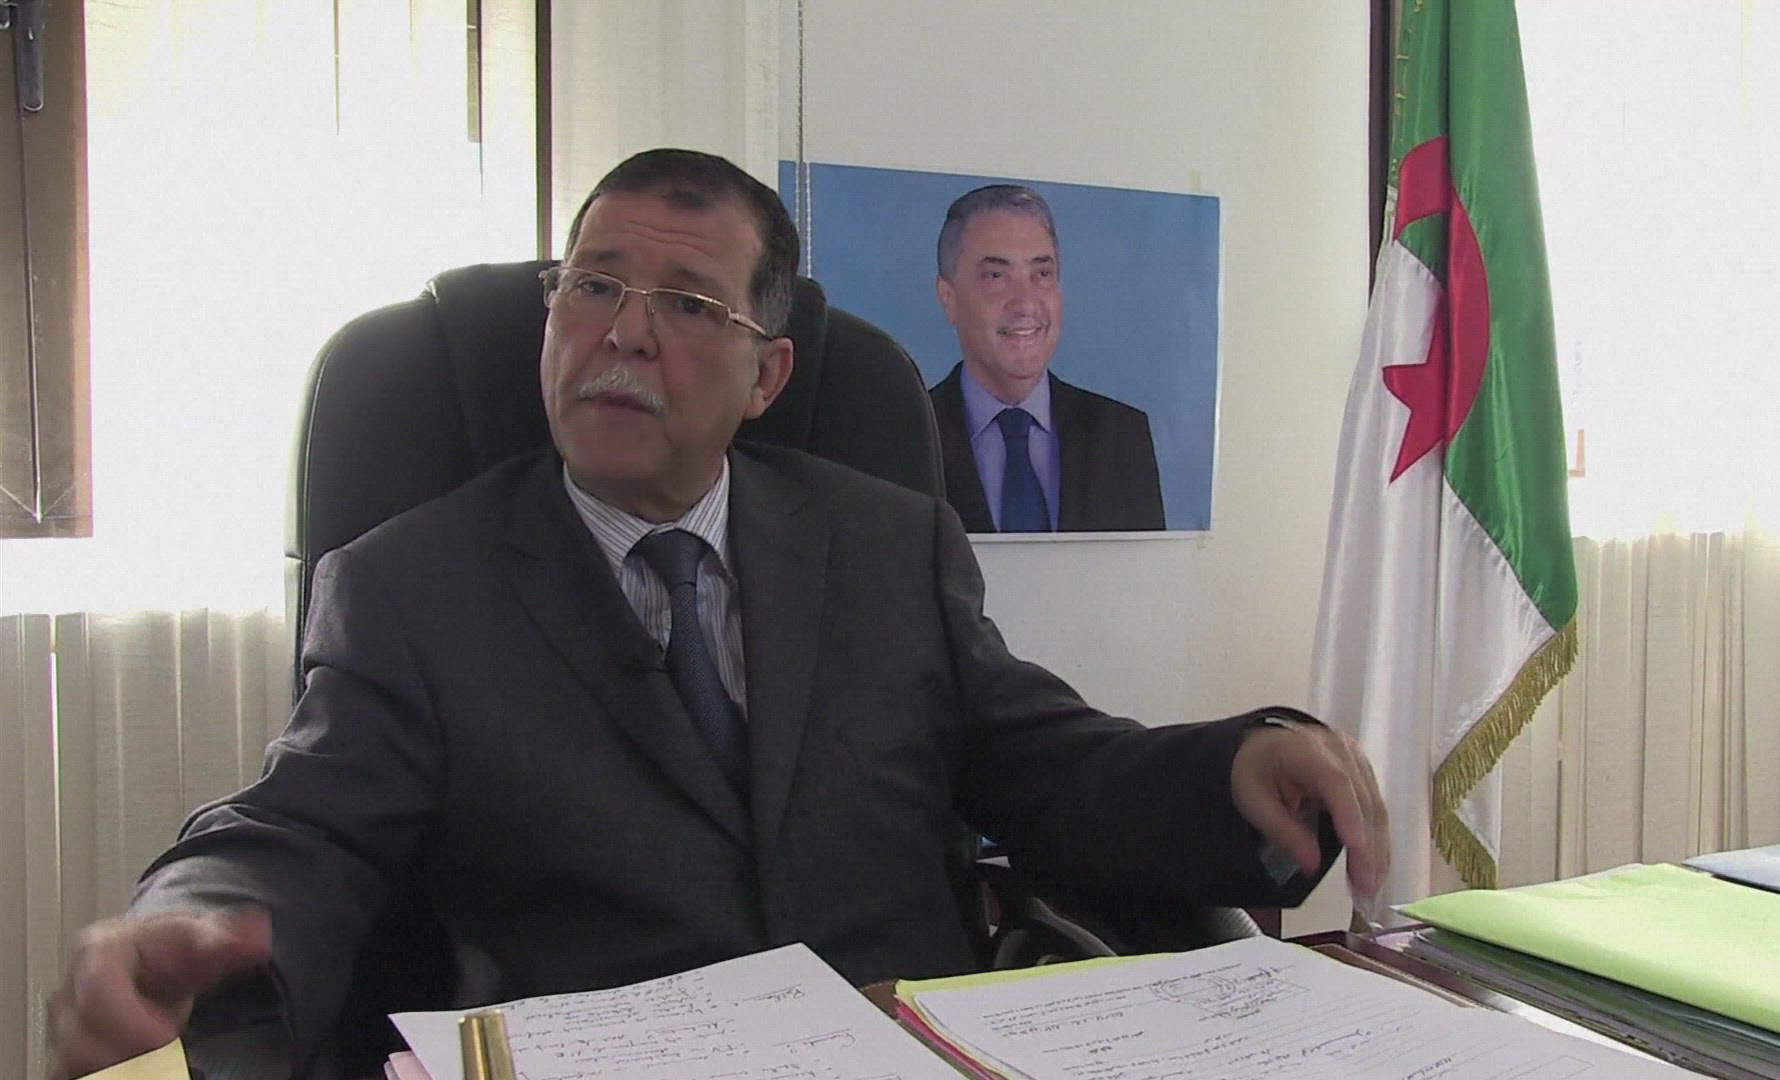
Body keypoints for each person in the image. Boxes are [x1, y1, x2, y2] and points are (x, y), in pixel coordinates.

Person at [47, 149, 1387, 1080]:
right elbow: (301, 826)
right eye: (593, 286)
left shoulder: (886, 542)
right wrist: (196, 916)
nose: (623, 334)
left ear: (767, 374)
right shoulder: (411, 584)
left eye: (687, 304)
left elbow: (1047, 763)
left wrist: (1233, 766)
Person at [928, 184, 1166, 533]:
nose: (1025, 303)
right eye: (996, 276)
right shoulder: (904, 441)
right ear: (948, 297)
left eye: (1041, 274)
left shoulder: (1121, 436)